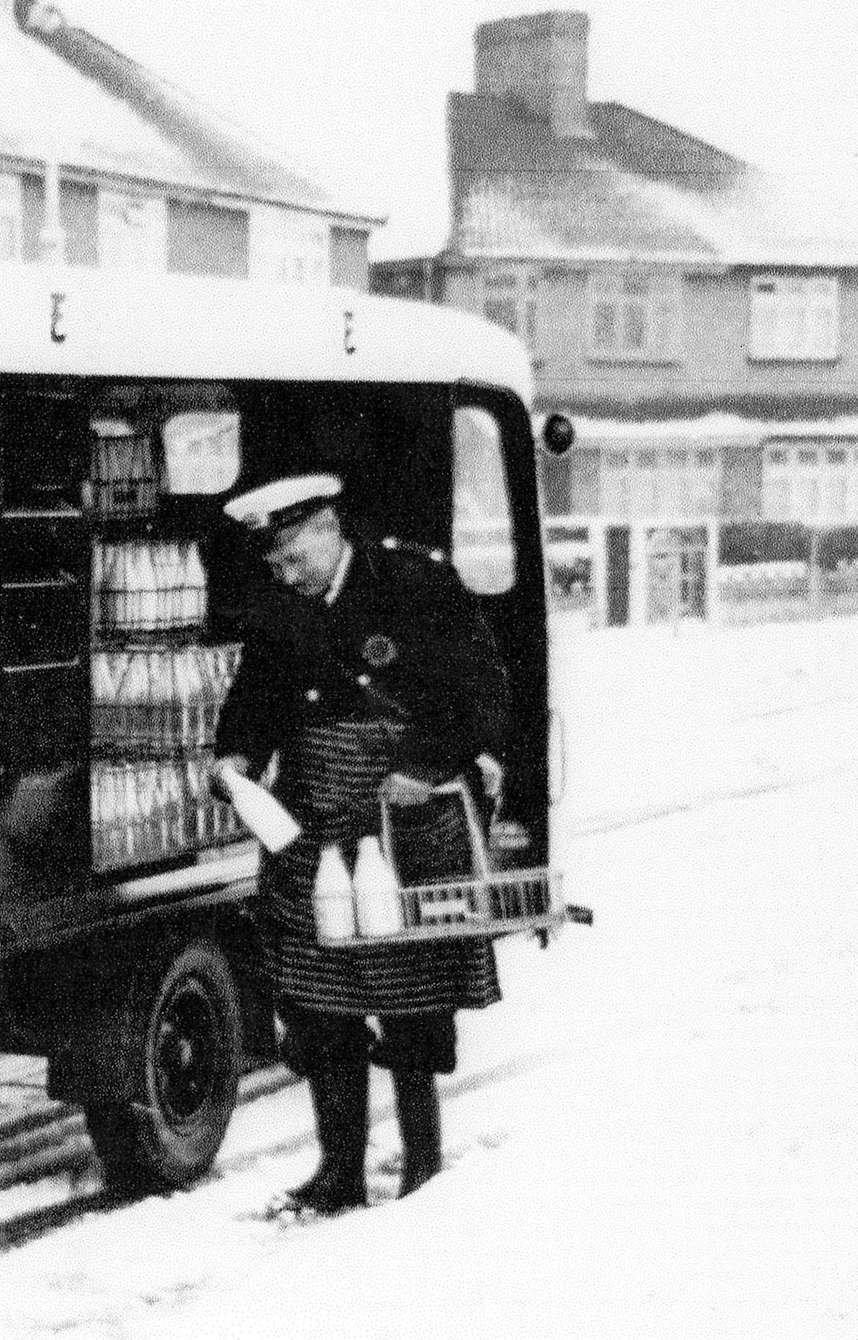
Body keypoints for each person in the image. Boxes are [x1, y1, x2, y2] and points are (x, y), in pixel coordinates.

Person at [210, 472, 510, 1220]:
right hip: (312, 815)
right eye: (273, 565)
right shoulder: (282, 608)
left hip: (408, 820)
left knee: (411, 999)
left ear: (325, 527)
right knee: (318, 1002)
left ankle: (422, 1169)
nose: (283, 575)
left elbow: (484, 690)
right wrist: (236, 759)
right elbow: (256, 698)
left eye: (290, 557)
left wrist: (426, 764)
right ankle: (339, 1170)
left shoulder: (413, 582)